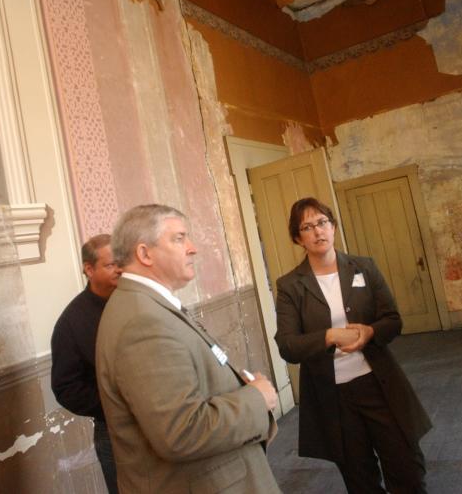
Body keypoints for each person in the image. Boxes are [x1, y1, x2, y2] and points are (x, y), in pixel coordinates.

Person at [96, 204, 280, 493]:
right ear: (145, 254)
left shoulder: (147, 305)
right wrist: (257, 398)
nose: (193, 248)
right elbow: (181, 431)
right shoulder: (142, 321)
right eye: (179, 238)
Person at [274, 197, 431, 494]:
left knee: (407, 468)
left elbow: (393, 320)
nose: (318, 232)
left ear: (333, 226)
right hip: (333, 397)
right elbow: (288, 345)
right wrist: (329, 336)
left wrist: (370, 332)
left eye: (322, 223)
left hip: (378, 384)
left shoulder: (363, 267)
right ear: (298, 238)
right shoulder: (290, 286)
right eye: (307, 227)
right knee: (360, 479)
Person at [50, 234, 122, 493]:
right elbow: (66, 388)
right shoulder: (71, 322)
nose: (120, 269)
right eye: (111, 264)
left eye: (122, 261)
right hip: (114, 433)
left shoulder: (134, 300)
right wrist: (115, 404)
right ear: (89, 269)